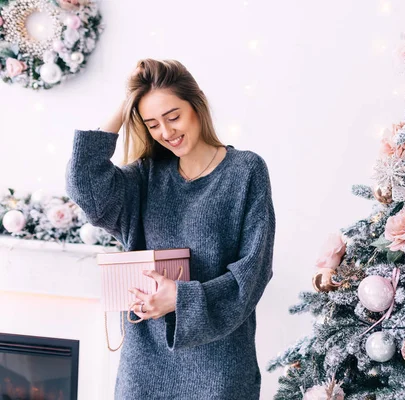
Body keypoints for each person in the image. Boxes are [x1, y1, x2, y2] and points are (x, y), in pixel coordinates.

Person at [65, 59, 276, 399]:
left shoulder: (245, 171)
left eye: (173, 116)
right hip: (144, 368)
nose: (166, 132)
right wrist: (126, 104)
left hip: (218, 369)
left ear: (198, 104)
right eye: (152, 124)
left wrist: (180, 298)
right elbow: (84, 185)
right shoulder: (146, 176)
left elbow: (252, 275)